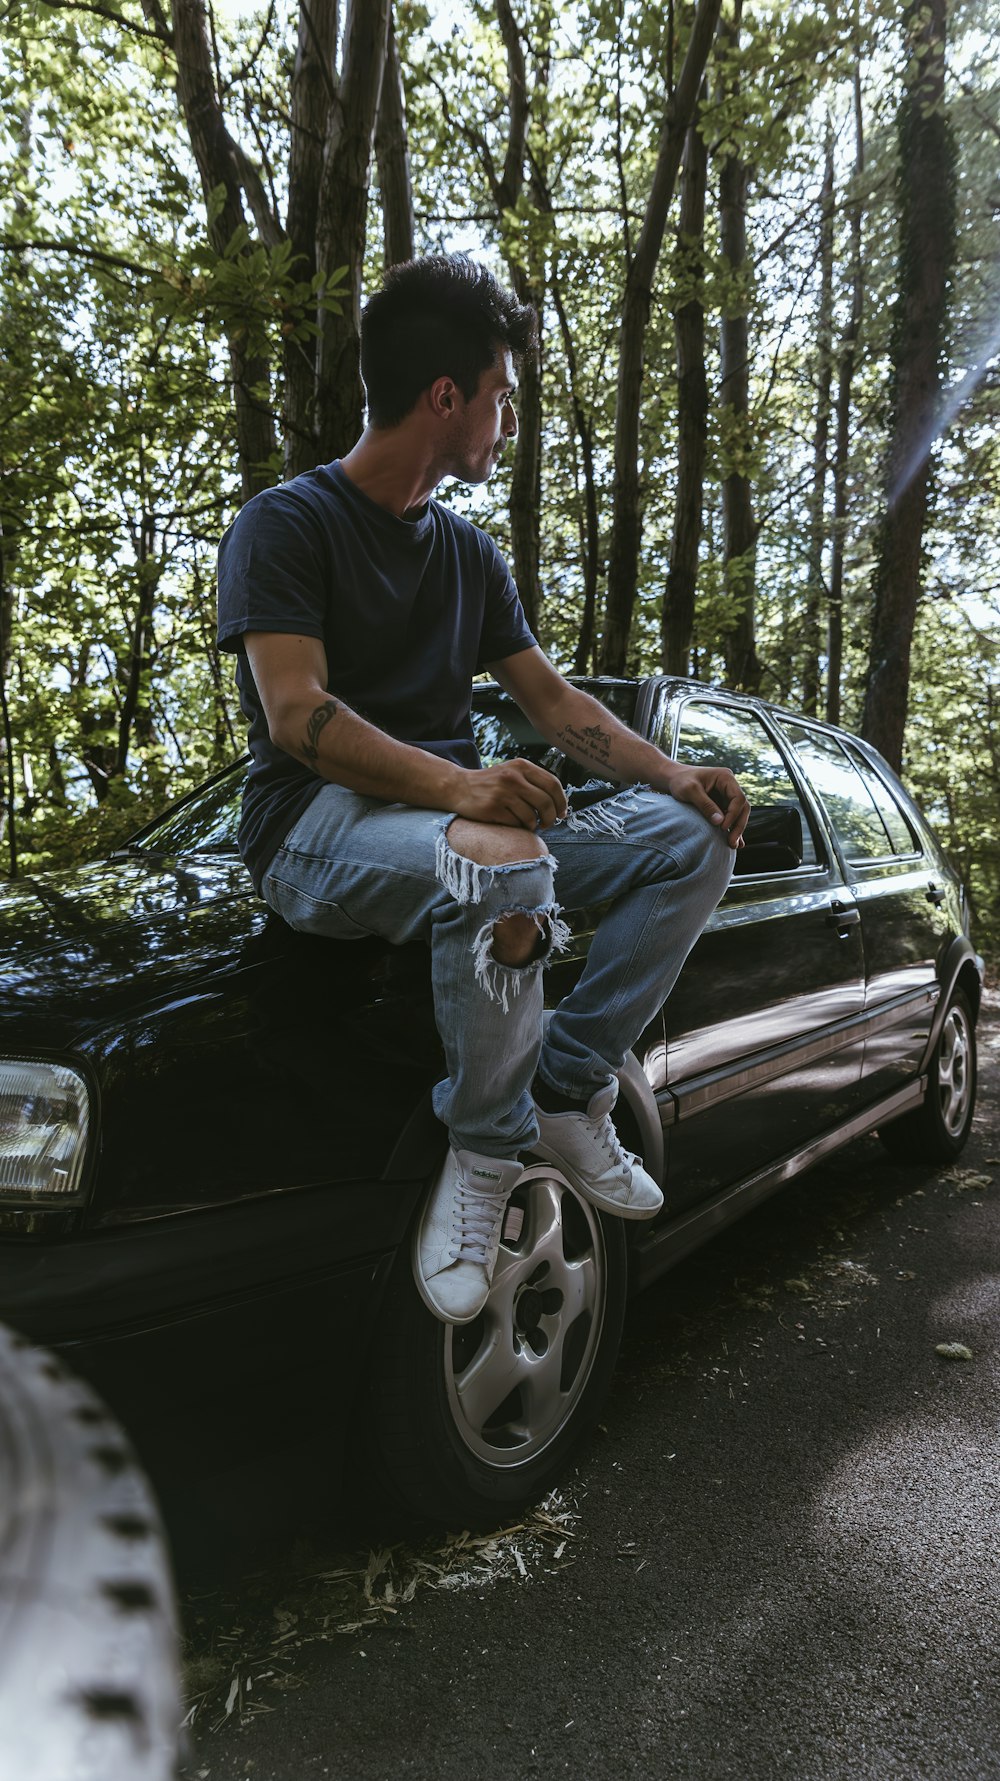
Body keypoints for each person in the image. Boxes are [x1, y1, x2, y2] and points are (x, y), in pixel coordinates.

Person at [217, 254, 748, 1329]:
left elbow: (557, 708)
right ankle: (484, 1148)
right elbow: (296, 716)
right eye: (501, 396)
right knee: (496, 858)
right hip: (312, 829)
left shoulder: (468, 554)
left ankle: (562, 1085)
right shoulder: (285, 523)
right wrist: (464, 787)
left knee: (696, 834)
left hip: (451, 826)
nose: (507, 421)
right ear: (445, 395)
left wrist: (674, 772)